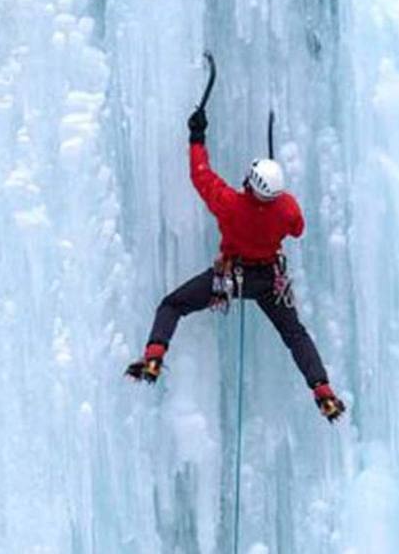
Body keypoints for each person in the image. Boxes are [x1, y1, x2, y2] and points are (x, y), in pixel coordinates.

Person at [124, 107, 345, 423]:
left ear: (252, 183)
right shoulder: (287, 208)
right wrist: (281, 203)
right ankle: (322, 391)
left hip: (229, 279)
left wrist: (197, 136)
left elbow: (201, 176)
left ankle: (154, 357)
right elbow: (298, 229)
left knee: (172, 305)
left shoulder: (231, 205)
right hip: (270, 281)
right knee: (295, 335)